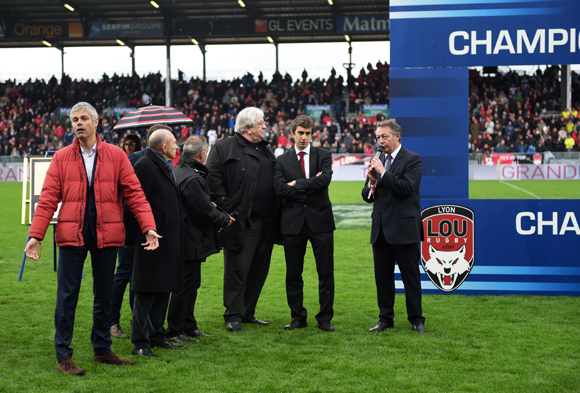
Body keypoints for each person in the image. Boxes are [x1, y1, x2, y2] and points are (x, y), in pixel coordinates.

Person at [24, 102, 161, 375]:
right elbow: (48, 198)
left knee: (105, 296)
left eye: (84, 118)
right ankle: (64, 354)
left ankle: (102, 349)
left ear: (97, 122)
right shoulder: (61, 157)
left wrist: (148, 226)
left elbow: (135, 194)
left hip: (107, 234)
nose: (78, 123)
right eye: (75, 119)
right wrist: (35, 236)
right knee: (67, 296)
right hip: (71, 234)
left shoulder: (116, 155)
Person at [206, 107, 279, 333]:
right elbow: (212, 180)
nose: (266, 126)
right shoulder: (223, 147)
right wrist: (228, 210)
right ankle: (233, 314)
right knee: (237, 268)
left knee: (259, 269)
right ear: (247, 127)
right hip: (241, 221)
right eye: (261, 123)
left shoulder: (266, 150)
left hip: (267, 221)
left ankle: (248, 312)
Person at [167, 135, 235, 343]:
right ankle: (177, 329)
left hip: (185, 238)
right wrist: (224, 219)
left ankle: (188, 325)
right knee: (186, 286)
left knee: (190, 284)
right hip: (190, 239)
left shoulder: (180, 172)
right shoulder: (193, 178)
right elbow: (205, 210)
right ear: (202, 154)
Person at [361, 119, 426, 333]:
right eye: (378, 137)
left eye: (385, 137)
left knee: (411, 278)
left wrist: (383, 173)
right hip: (380, 230)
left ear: (397, 136)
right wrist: (371, 181)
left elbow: (407, 189)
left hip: (404, 230)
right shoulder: (378, 159)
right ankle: (385, 319)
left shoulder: (412, 159)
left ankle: (416, 319)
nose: (381, 141)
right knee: (383, 279)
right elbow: (367, 197)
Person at [273, 115, 336, 332]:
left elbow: (324, 180)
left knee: (326, 272)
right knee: (293, 273)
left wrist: (297, 184)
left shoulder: (324, 155)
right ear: (292, 134)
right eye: (300, 133)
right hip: (292, 224)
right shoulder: (281, 160)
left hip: (321, 222)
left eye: (308, 133)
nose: (304, 137)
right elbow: (280, 190)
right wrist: (310, 185)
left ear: (313, 134)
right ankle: (297, 316)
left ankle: (325, 318)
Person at [128, 128, 186, 357]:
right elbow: (133, 203)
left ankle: (157, 335)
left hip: (168, 240)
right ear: (163, 147)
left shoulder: (163, 164)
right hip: (150, 240)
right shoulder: (144, 165)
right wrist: (137, 235)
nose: (177, 146)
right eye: (173, 142)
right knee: (146, 292)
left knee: (164, 289)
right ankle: (140, 342)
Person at [110, 124, 166, 339]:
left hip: (147, 227)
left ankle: (138, 322)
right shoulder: (137, 160)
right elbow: (128, 198)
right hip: (132, 227)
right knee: (125, 273)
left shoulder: (159, 162)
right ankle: (112, 322)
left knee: (137, 275)